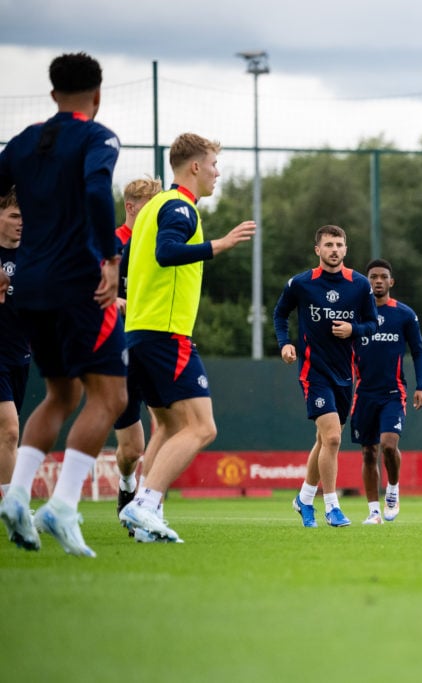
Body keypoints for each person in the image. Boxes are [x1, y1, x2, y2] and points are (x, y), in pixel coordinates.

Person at [0, 53, 126, 557]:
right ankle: (62, 505)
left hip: (29, 288)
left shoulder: (23, 140)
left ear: (52, 94)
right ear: (96, 96)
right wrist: (111, 258)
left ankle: (14, 498)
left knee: (60, 395)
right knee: (111, 397)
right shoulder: (98, 137)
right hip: (80, 286)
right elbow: (97, 190)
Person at [117, 132, 256, 543]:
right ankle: (144, 505)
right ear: (194, 166)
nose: (217, 172)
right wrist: (220, 244)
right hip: (165, 333)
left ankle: (146, 516)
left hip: (139, 332)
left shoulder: (153, 206)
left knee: (170, 425)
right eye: (213, 164)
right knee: (202, 428)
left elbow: (132, 263)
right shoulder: (179, 206)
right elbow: (167, 252)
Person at [274, 225, 377, 529]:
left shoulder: (359, 285)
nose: (334, 249)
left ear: (346, 249)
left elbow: (372, 322)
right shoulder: (301, 284)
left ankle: (304, 499)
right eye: (328, 244)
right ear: (317, 250)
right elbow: (280, 314)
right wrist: (286, 343)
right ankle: (332, 506)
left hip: (345, 374)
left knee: (324, 440)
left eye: (339, 244)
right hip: (313, 371)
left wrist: (353, 330)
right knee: (332, 436)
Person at [351, 259, 422, 524]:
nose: (378, 281)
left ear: (391, 282)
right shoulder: (356, 313)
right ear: (366, 281)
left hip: (393, 393)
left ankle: (393, 489)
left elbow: (417, 351)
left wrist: (421, 386)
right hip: (363, 394)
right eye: (373, 277)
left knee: (388, 444)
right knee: (368, 452)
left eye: (383, 277)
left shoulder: (404, 314)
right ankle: (373, 511)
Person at [110, 177, 164, 517]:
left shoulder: (161, 242)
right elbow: (88, 291)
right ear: (131, 207)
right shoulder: (111, 243)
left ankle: (148, 506)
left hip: (156, 345)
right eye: (148, 205)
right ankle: (127, 485)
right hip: (117, 350)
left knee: (168, 427)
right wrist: (117, 301)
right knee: (132, 448)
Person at [0, 191, 30, 498]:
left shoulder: (33, 255)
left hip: (21, 355)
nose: (21, 223)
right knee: (10, 431)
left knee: (7, 437)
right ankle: (14, 508)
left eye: (24, 217)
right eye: (13, 216)